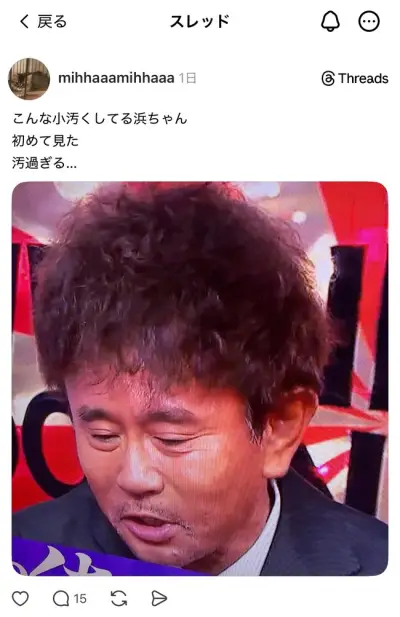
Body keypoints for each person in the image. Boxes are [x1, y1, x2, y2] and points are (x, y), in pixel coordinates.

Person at [13, 182, 388, 576]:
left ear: (281, 426)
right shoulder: (23, 556)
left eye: (172, 439)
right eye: (103, 435)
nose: (135, 478)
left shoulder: (379, 571)